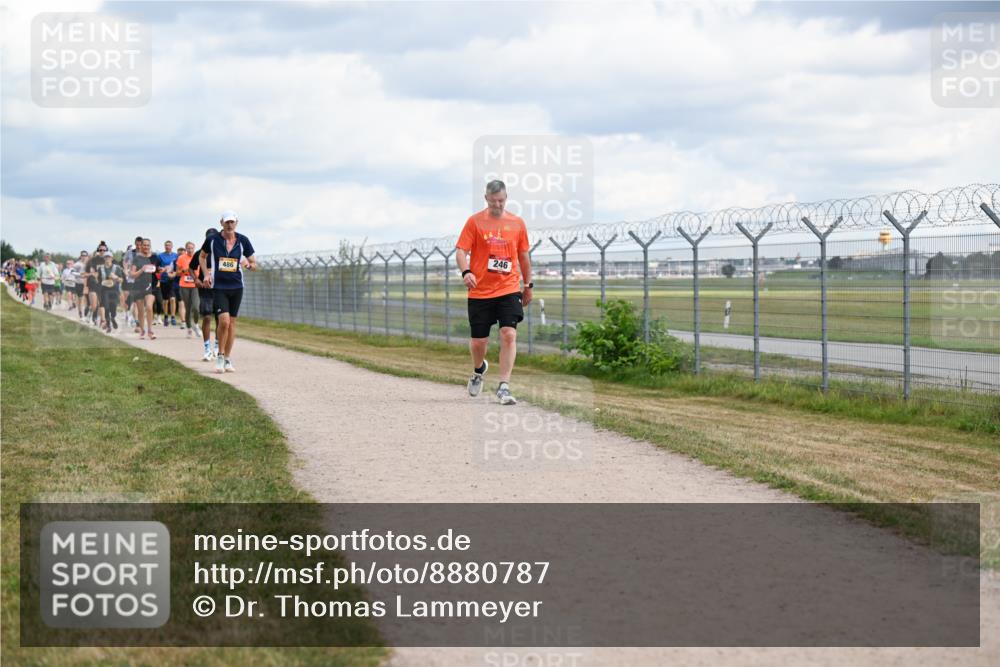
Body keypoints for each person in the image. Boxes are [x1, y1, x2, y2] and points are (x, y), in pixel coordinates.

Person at [455, 179, 533, 405]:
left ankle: (504, 387)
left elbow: (524, 257)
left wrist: (528, 285)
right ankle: (479, 369)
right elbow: (461, 251)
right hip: (479, 290)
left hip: (508, 287)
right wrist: (466, 272)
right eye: (494, 201)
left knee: (509, 333)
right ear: (486, 199)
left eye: (502, 200)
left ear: (506, 198)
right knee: (479, 342)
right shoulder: (475, 222)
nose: (498, 205)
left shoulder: (517, 223)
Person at [199, 210, 256, 373]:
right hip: (219, 287)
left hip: (237, 287)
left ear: (236, 223)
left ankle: (228, 358)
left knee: (231, 323)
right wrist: (207, 274)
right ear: (221, 223)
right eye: (227, 222)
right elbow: (202, 257)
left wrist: (250, 265)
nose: (230, 225)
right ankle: (220, 356)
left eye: (232, 222)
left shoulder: (243, 240)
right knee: (223, 321)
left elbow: (253, 262)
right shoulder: (212, 240)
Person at [193, 228, 219, 361]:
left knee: (221, 319)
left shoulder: (221, 252)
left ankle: (217, 347)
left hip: (219, 289)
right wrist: (196, 279)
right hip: (205, 290)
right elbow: (191, 268)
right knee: (207, 317)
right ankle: (207, 348)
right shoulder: (199, 253)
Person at [129, 238, 163, 340]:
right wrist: (141, 270)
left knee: (149, 306)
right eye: (144, 245)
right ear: (141, 246)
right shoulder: (137, 259)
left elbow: (158, 271)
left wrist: (161, 270)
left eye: (148, 245)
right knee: (140, 310)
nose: (146, 247)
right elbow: (132, 275)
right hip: (138, 286)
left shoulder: (155, 257)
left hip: (151, 285)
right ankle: (142, 330)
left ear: (150, 246)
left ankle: (150, 330)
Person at [97, 253, 125, 333]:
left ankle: (113, 318)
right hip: (104, 290)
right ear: (104, 258)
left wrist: (115, 277)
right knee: (106, 307)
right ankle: (108, 324)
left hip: (114, 290)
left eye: (109, 257)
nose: (107, 258)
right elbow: (98, 280)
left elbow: (121, 280)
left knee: (113, 308)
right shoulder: (100, 268)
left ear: (112, 258)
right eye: (106, 257)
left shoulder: (117, 268)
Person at [176, 241, 199, 337]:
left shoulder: (198, 257)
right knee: (188, 308)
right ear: (186, 249)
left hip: (195, 285)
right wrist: (183, 270)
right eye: (188, 248)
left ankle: (196, 325)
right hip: (184, 285)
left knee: (196, 307)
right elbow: (177, 273)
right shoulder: (181, 258)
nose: (190, 250)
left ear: (194, 248)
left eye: (191, 248)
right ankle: (189, 329)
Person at [158, 240, 179, 326]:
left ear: (172, 246)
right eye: (166, 245)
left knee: (173, 299)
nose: (167, 247)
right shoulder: (160, 256)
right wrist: (163, 268)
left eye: (169, 245)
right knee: (165, 300)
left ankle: (173, 317)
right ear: (164, 246)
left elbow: (178, 266)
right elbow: (157, 267)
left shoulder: (175, 255)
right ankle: (166, 316)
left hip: (173, 280)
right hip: (164, 280)